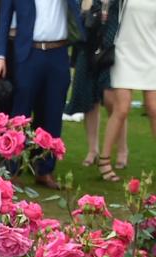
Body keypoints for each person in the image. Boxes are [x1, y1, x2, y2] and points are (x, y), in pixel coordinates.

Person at [0, 0, 85, 189]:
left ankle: (45, 169)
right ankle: (10, 168)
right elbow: (3, 22)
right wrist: (0, 56)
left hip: (58, 53)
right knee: (19, 115)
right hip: (28, 54)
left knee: (53, 113)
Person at [97, 0, 154, 182]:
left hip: (152, 52)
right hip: (124, 52)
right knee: (122, 108)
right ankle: (104, 160)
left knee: (154, 108)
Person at [66, 0, 124, 176]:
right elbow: (78, 17)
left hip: (113, 47)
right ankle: (93, 150)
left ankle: (122, 150)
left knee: (113, 99)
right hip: (88, 46)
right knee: (88, 99)